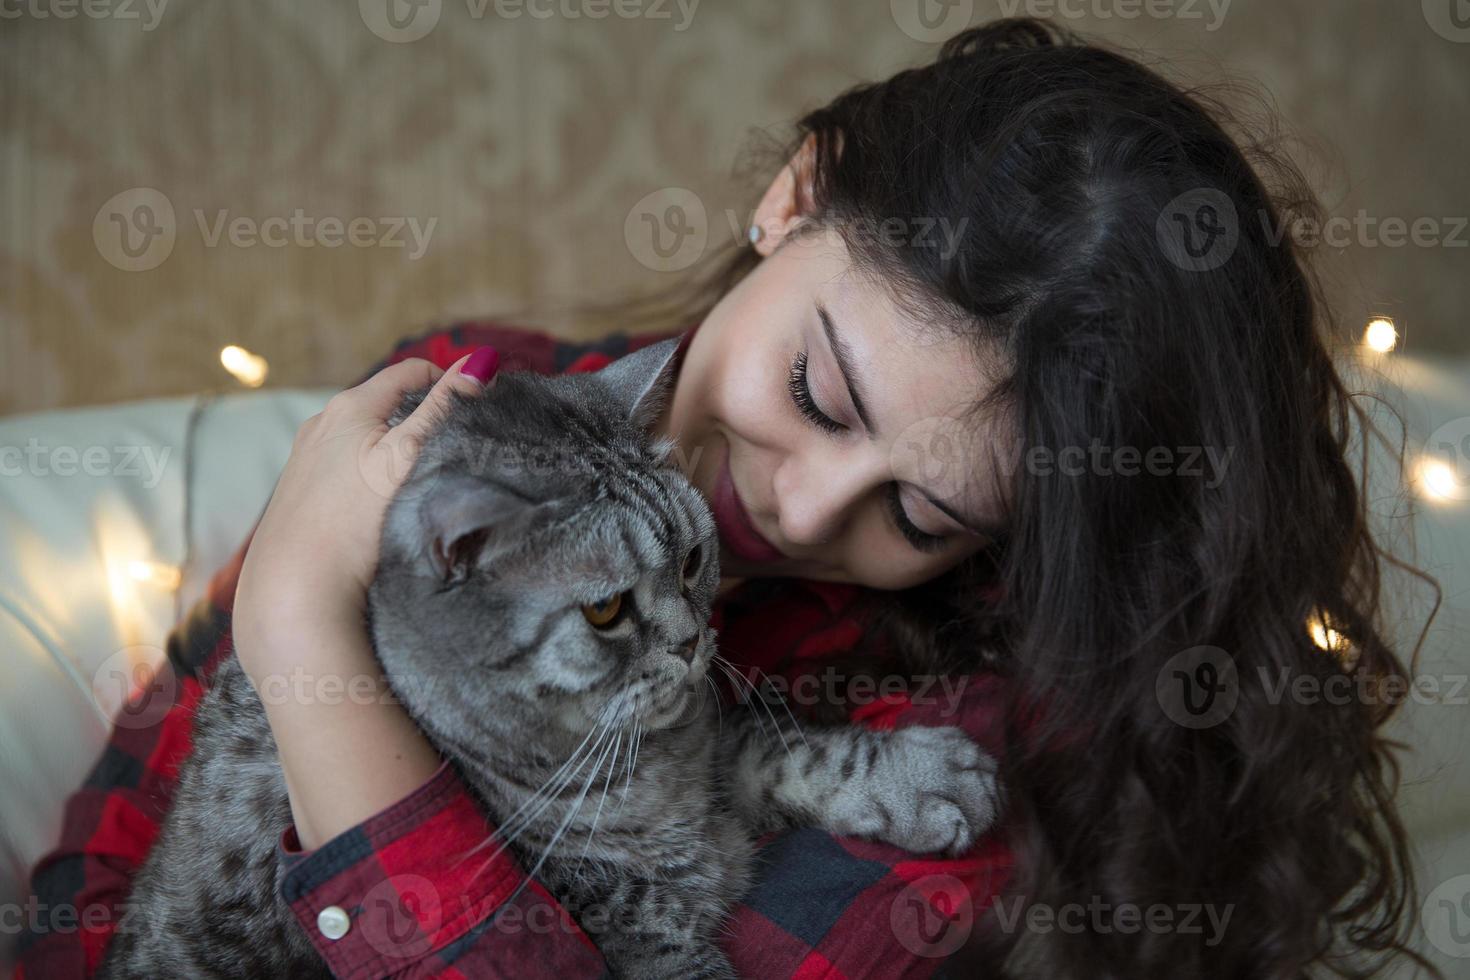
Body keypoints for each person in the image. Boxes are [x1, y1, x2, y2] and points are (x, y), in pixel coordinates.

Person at [18, 18, 1434, 979]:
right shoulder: (454, 406)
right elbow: (109, 868)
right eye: (820, 393)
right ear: (791, 197)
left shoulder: (987, 744)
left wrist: (308, 640)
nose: (810, 509)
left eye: (923, 517)